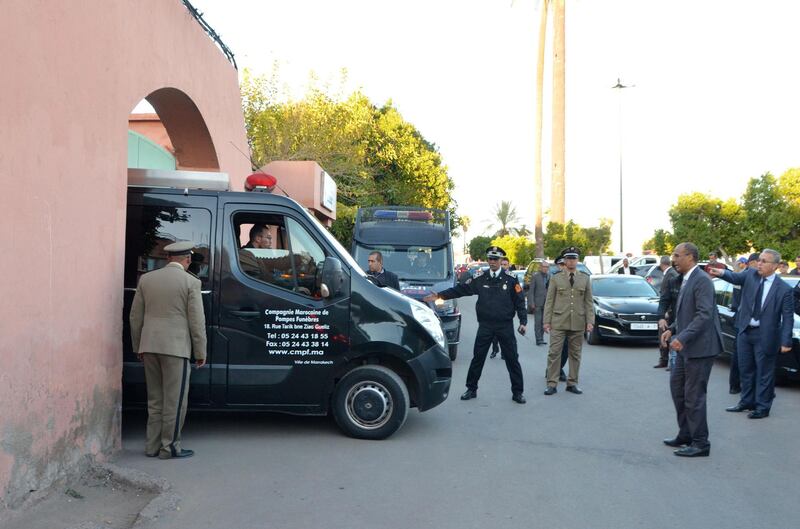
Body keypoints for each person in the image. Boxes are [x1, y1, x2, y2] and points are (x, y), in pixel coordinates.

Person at [129, 241, 207, 459]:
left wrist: (138, 346)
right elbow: (196, 322)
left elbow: (135, 317)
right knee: (175, 400)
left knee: (155, 400)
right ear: (188, 259)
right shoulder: (191, 282)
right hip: (176, 348)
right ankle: (170, 447)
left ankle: (152, 446)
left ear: (167, 258)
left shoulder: (146, 279)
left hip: (149, 345)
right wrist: (200, 352)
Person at [424, 246, 527, 403]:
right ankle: (471, 389)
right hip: (485, 326)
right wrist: (440, 295)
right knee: (477, 359)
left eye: (495, 259)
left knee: (512, 359)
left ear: (501, 261)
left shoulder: (511, 279)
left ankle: (518, 392)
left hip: (504, 326)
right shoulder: (481, 277)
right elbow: (462, 289)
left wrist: (523, 322)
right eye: (490, 259)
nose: (492, 262)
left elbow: (519, 302)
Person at [708, 249, 794, 419]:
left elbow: (788, 318)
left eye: (764, 261)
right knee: (745, 369)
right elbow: (734, 277)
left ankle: (762, 407)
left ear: (775, 266)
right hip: (745, 332)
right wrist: (721, 272)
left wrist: (786, 342)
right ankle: (746, 402)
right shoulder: (750, 275)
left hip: (766, 336)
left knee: (764, 373)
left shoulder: (783, 289)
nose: (759, 263)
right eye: (759, 260)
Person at [660, 242, 722, 457]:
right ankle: (685, 434)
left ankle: (700, 443)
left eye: (677, 255)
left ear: (690, 257)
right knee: (678, 390)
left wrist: (683, 337)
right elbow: (685, 312)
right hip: (686, 346)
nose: (673, 260)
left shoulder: (702, 280)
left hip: (700, 348)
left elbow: (704, 315)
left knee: (694, 396)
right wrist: (673, 329)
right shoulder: (686, 279)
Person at [543, 247, 593, 395]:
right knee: (554, 353)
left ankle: (572, 383)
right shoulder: (556, 277)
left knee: (575, 354)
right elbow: (549, 301)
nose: (571, 261)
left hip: (578, 321)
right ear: (564, 261)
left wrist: (590, 321)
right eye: (568, 258)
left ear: (577, 260)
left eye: (574, 258)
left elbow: (588, 302)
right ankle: (552, 383)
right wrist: (546, 321)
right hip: (558, 321)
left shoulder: (585, 278)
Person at [654, 255, 679, 369]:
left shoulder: (671, 275)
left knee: (666, 335)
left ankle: (669, 361)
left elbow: (672, 296)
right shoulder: (672, 274)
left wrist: (667, 311)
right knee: (666, 335)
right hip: (669, 312)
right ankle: (665, 360)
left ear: (661, 264)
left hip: (670, 313)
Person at [490, 257, 514, 359]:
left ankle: (505, 352)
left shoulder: (512, 278)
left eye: (505, 264)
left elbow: (517, 296)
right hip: (493, 311)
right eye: (502, 264)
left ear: (508, 266)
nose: (504, 266)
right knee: (494, 335)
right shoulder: (492, 277)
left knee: (505, 335)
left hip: (506, 312)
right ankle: (495, 349)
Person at [528, 260, 550, 346]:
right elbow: (531, 291)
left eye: (547, 267)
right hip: (537, 303)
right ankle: (538, 339)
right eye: (544, 267)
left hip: (546, 303)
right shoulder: (535, 276)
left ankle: (541, 338)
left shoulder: (549, 276)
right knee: (538, 321)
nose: (545, 269)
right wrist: (531, 302)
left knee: (544, 322)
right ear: (540, 267)